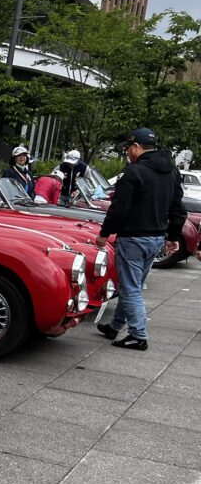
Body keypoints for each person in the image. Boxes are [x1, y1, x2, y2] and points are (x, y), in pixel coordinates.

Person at [96, 128, 187, 351]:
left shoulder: (134, 172)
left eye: (128, 148)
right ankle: (115, 326)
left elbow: (119, 208)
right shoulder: (172, 172)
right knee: (133, 285)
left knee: (130, 288)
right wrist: (174, 235)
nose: (127, 152)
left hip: (133, 238)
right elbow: (178, 208)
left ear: (136, 147)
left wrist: (104, 233)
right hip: (156, 238)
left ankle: (138, 336)